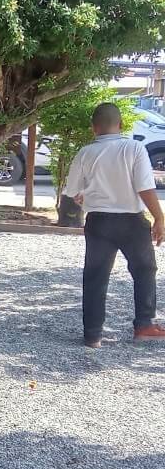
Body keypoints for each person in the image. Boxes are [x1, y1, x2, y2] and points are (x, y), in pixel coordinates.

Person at [65, 102, 165, 347]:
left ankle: (93, 335)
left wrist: (84, 194)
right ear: (121, 125)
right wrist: (159, 217)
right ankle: (144, 325)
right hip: (132, 221)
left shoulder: (85, 152)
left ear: (94, 128)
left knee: (96, 275)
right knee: (144, 270)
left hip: (98, 221)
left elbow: (73, 190)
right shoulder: (134, 148)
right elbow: (145, 187)